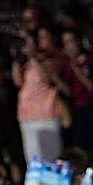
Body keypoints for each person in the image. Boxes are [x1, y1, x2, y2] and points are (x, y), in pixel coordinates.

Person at [13, 29, 69, 163]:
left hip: (46, 118)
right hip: (27, 118)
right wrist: (17, 57)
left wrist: (33, 56)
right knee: (34, 163)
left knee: (52, 161)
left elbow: (46, 79)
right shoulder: (26, 64)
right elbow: (17, 81)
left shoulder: (55, 59)